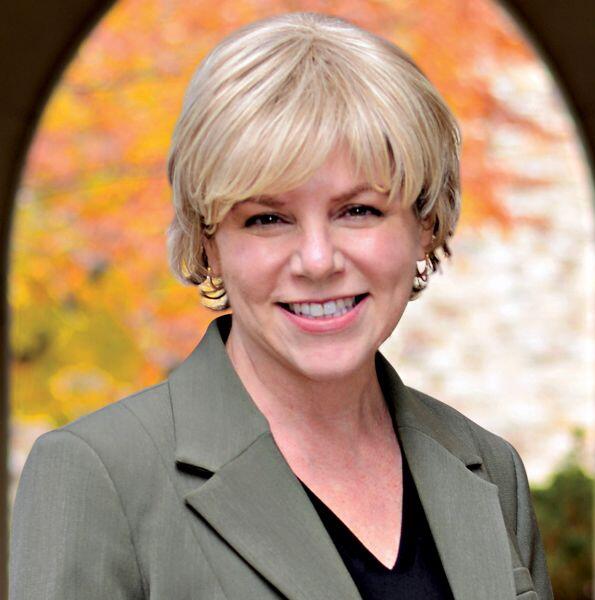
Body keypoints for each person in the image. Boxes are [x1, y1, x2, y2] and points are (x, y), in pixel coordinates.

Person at [9, 12, 552, 600]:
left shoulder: (492, 470)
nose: (317, 260)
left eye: (359, 210)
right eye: (267, 218)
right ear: (208, 243)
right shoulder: (99, 478)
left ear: (424, 226)